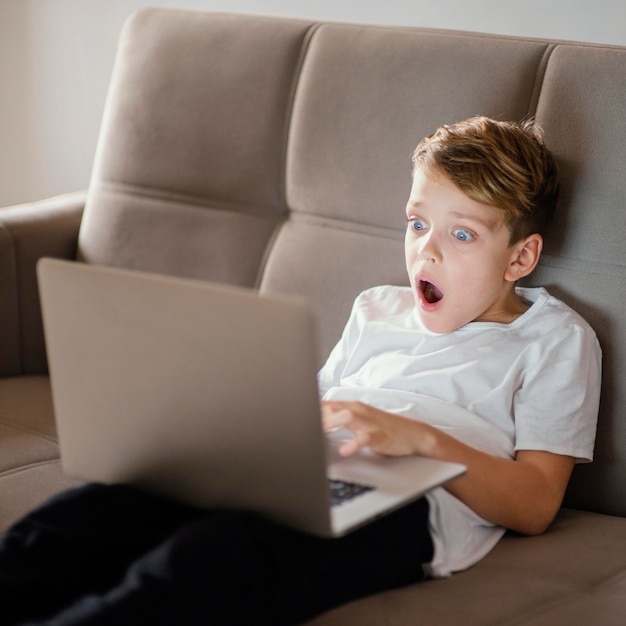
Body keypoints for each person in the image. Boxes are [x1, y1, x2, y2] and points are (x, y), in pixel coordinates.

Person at [0, 116, 600, 625]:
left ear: (520, 256)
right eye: (418, 223)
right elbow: (309, 408)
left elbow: (535, 505)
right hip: (304, 467)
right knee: (90, 516)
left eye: (461, 234)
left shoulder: (555, 339)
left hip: (406, 503)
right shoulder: (377, 307)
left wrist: (417, 439)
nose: (427, 251)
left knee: (209, 561)